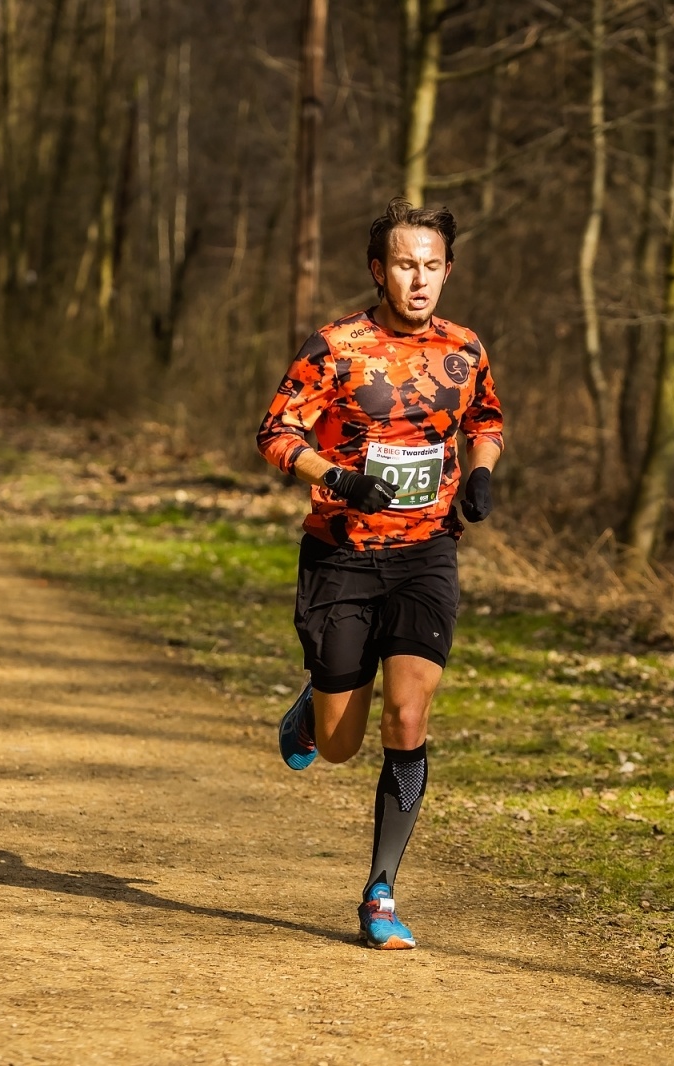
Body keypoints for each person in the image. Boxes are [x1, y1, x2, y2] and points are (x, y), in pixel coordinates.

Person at [255, 197, 504, 950]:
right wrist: (336, 478)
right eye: (405, 265)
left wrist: (482, 473)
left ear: (448, 270)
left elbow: (484, 421)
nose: (419, 280)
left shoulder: (464, 350)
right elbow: (275, 430)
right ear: (378, 270)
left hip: (427, 553)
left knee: (409, 717)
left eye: (432, 266)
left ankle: (380, 891)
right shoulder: (337, 347)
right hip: (342, 556)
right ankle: (313, 707)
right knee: (337, 744)